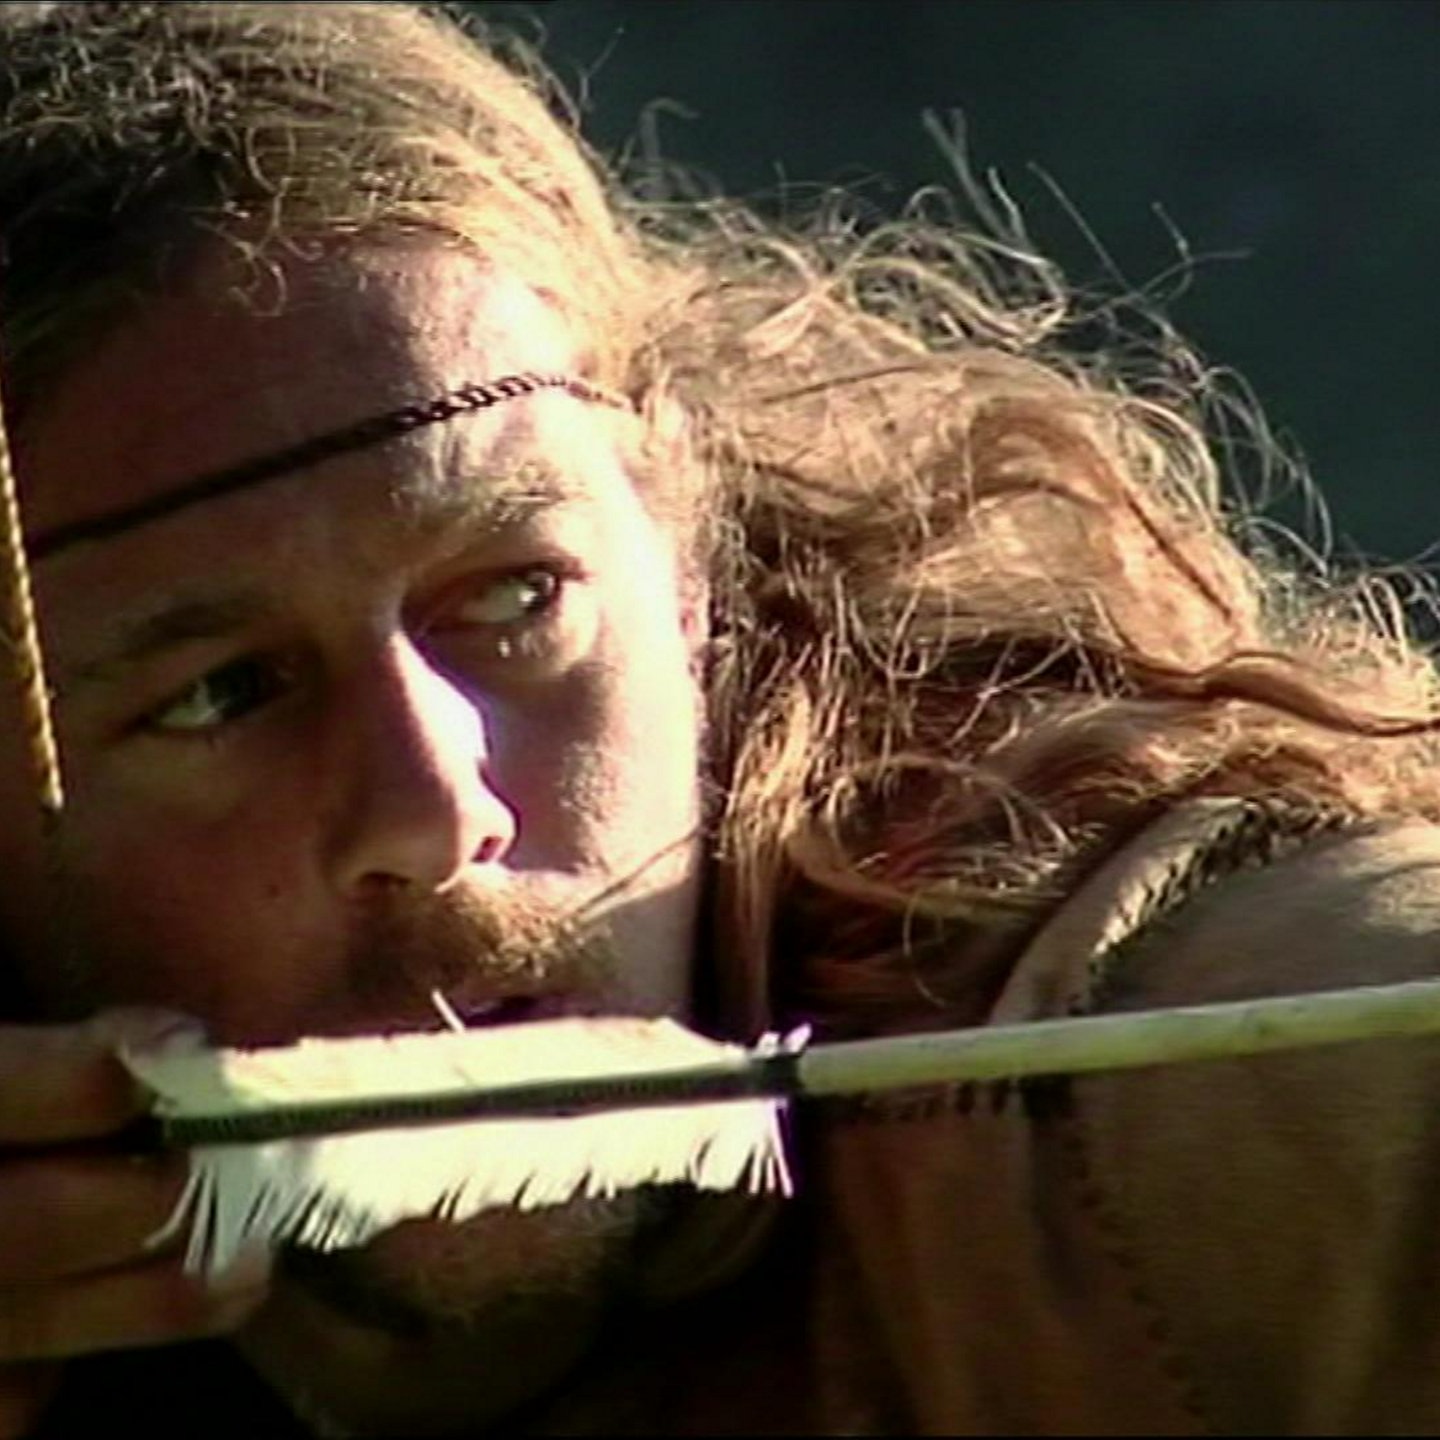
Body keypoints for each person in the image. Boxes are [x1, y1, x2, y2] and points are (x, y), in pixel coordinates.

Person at [1, 2, 1439, 1434]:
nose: (437, 814)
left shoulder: (1111, 1071)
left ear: (682, 558)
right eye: (219, 693)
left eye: (515, 599)